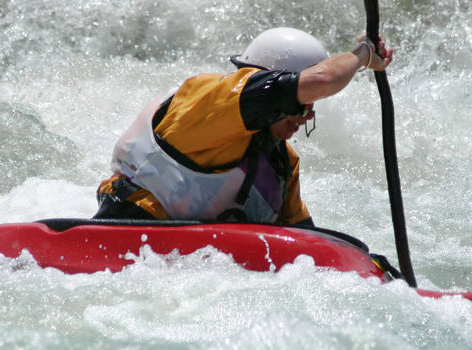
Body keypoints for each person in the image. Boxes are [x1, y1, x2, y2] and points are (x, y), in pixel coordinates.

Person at [94, 27, 393, 225]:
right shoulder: (210, 101)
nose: (307, 115)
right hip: (128, 228)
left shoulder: (281, 163)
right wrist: (364, 53)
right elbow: (322, 81)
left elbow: (304, 237)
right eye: (302, 101)